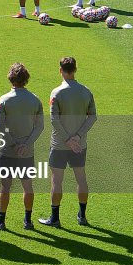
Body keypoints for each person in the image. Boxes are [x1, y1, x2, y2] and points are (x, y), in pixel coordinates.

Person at [39, 56, 96, 228]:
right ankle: (82, 216)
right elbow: (92, 116)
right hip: (80, 145)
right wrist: (77, 137)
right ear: (75, 69)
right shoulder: (86, 91)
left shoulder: (57, 93)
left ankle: (55, 218)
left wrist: (66, 139)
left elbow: (54, 120)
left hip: (59, 145)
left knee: (57, 181)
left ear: (60, 70)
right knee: (81, 179)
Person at [0, 62, 44, 231]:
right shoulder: (35, 100)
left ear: (11, 78)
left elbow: (1, 126)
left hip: (7, 151)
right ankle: (28, 221)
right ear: (26, 79)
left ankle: (1, 220)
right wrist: (26, 144)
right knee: (27, 186)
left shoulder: (4, 100)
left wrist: (13, 142)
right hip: (26, 153)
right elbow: (39, 126)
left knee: (5, 186)